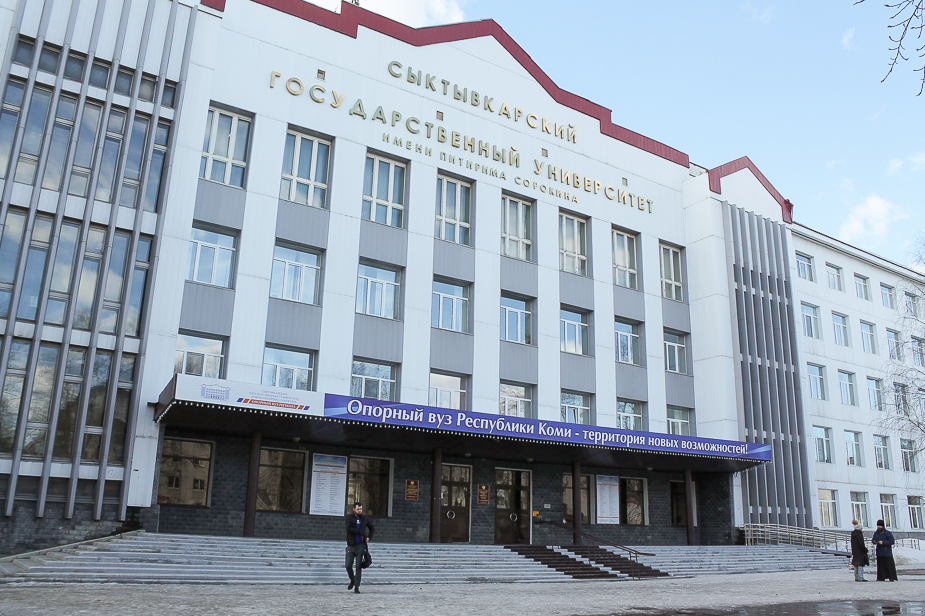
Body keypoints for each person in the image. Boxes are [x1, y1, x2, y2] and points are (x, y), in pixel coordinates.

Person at [345, 502, 374, 593]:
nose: (359, 511)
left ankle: (357, 587)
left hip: (361, 546)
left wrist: (369, 537)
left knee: (358, 566)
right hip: (351, 545)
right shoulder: (349, 517)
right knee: (348, 565)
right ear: (354, 509)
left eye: (361, 509)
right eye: (358, 509)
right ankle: (352, 579)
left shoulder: (365, 518)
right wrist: (360, 532)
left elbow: (372, 528)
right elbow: (348, 528)